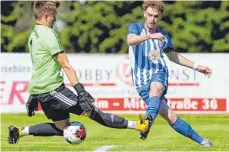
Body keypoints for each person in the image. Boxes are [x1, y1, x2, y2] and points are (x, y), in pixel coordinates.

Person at [8, 1, 150, 144]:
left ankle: (19, 131)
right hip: (53, 90)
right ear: (46, 16)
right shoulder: (48, 34)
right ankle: (139, 126)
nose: (55, 19)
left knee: (61, 127)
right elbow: (66, 65)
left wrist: (34, 95)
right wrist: (80, 91)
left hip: (42, 91)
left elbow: (39, 65)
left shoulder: (34, 34)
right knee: (94, 113)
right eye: (53, 16)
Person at [127, 0, 212, 147]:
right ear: (144, 14)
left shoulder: (164, 36)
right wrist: (150, 36)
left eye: (156, 16)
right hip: (140, 81)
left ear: (160, 17)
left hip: (158, 72)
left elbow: (173, 56)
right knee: (170, 116)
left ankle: (146, 124)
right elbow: (130, 41)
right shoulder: (135, 27)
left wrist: (197, 67)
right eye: (150, 15)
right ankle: (202, 141)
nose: (152, 19)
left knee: (156, 88)